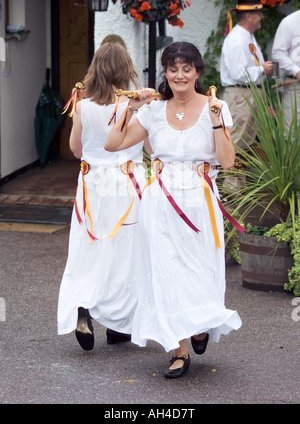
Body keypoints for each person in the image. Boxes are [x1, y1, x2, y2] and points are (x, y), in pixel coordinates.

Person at [105, 41, 242, 379]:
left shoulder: (216, 107)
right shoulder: (153, 111)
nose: (180, 75)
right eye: (173, 68)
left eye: (187, 68)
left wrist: (213, 122)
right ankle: (178, 348)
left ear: (197, 72)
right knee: (165, 273)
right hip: (161, 202)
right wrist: (130, 106)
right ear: (165, 72)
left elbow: (227, 161)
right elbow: (113, 144)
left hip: (199, 201)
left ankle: (199, 325)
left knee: (198, 270)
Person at [57, 41, 147, 350]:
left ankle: (84, 305)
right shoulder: (132, 105)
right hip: (125, 182)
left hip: (92, 182)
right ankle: (118, 324)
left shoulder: (82, 104)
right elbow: (150, 148)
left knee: (88, 247)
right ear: (126, 69)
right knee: (124, 251)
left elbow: (76, 149)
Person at [220, 0, 273, 150]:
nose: (261, 17)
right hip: (241, 95)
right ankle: (231, 176)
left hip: (248, 95)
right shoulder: (237, 39)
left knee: (245, 144)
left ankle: (238, 176)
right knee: (236, 142)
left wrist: (262, 71)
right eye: (259, 13)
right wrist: (261, 69)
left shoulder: (246, 36)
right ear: (250, 16)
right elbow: (238, 73)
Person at [271, 10, 300, 128]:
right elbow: (277, 53)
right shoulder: (289, 22)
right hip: (296, 86)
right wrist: (297, 71)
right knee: (293, 131)